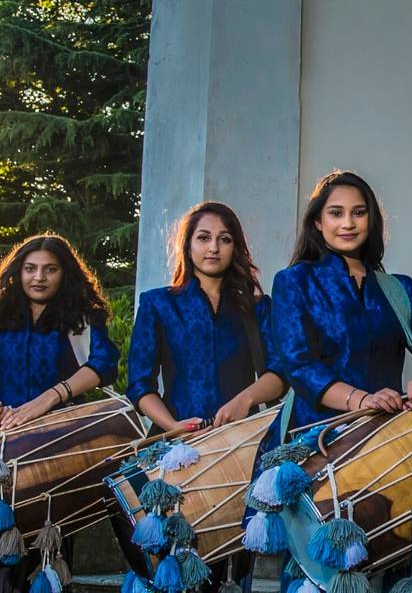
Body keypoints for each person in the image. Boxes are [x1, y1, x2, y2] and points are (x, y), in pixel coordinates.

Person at [125, 201, 286, 590]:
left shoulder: (257, 307)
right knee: (167, 568)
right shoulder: (158, 303)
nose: (213, 247)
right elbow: (140, 385)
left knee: (231, 571)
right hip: (173, 452)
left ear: (236, 248)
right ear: (188, 245)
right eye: (203, 238)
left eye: (224, 239)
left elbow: (279, 374)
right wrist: (172, 426)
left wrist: (244, 400)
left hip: (240, 451)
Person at [0, 233, 119, 592]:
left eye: (50, 269)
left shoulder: (81, 318)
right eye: (30, 268)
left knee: (46, 561)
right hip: (0, 457)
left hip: (58, 454)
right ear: (17, 272)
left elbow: (105, 364)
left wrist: (50, 398)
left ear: (65, 274)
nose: (39, 277)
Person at [269, 170, 412, 435]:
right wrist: (362, 400)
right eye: (336, 213)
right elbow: (299, 365)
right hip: (314, 435)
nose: (348, 223)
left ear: (371, 220)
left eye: (358, 212)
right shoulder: (294, 281)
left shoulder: (398, 287)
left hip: (385, 432)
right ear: (318, 222)